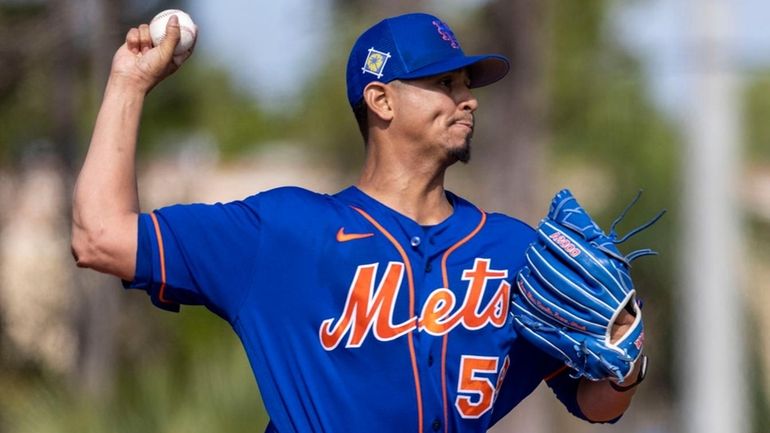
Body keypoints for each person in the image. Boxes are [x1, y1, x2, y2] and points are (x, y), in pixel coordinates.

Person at [72, 12, 643, 433]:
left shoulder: (514, 251)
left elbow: (595, 403)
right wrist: (129, 82)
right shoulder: (283, 233)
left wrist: (625, 360)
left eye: (467, 85)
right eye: (445, 83)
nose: (466, 100)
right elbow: (99, 235)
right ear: (381, 100)